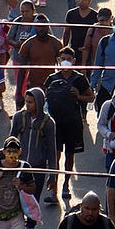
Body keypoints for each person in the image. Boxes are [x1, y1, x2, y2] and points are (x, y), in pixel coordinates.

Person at [43, 53, 93, 202]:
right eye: (63, 58)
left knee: (70, 156)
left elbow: (91, 97)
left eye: (69, 59)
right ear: (58, 60)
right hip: (55, 124)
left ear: (74, 61)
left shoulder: (79, 79)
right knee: (55, 156)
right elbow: (45, 99)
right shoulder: (52, 79)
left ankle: (66, 185)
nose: (66, 62)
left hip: (73, 124)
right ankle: (53, 190)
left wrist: (79, 96)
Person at [9, 87, 58, 204]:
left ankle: (31, 223)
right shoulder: (18, 117)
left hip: (38, 169)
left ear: (39, 103)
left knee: (33, 203)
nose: (27, 105)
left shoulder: (48, 123)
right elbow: (10, 142)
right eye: (26, 101)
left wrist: (52, 176)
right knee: (15, 201)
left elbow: (52, 151)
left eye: (30, 102)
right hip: (18, 166)